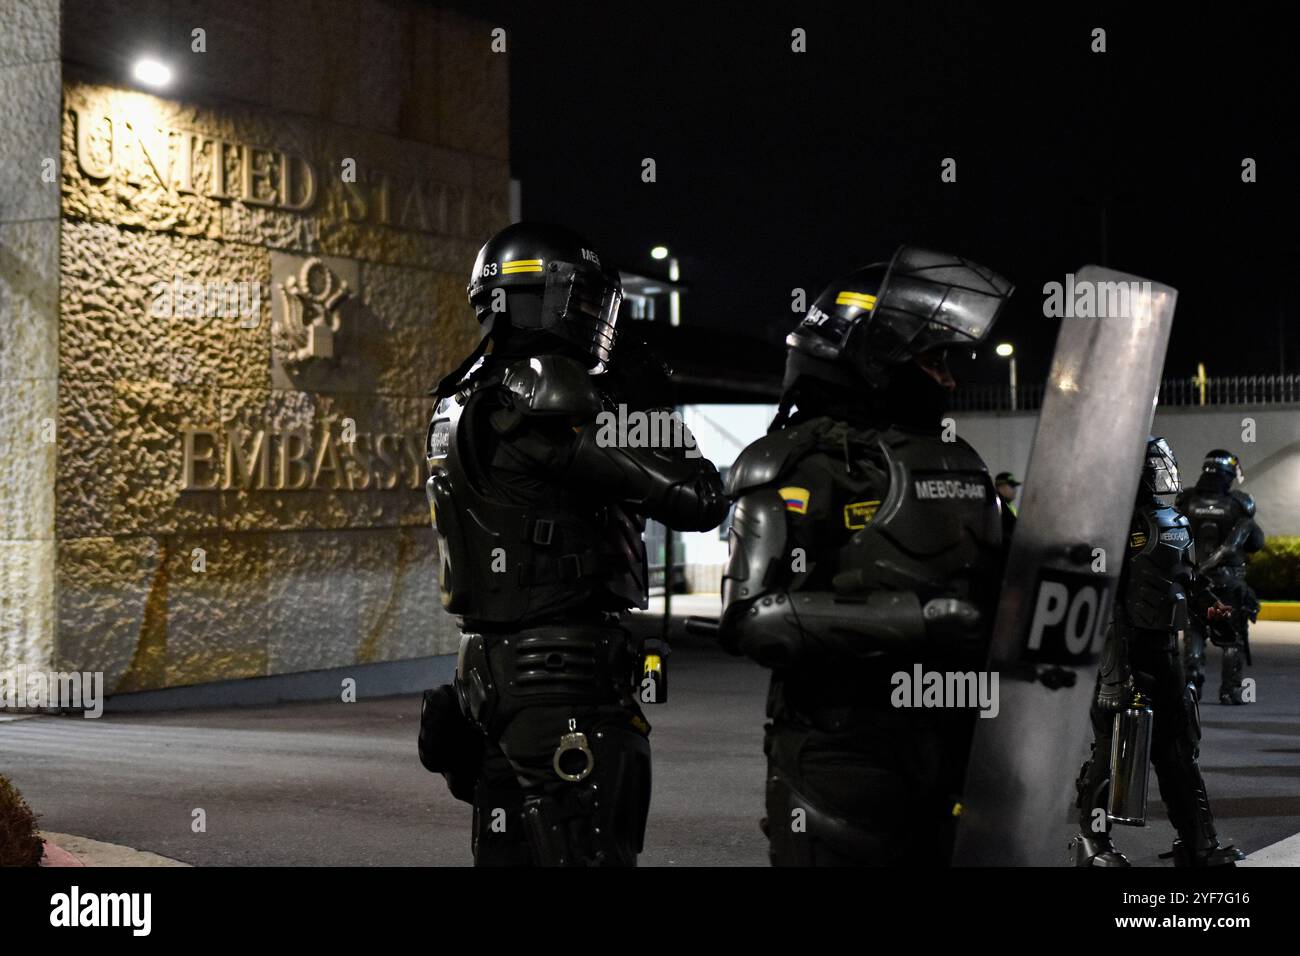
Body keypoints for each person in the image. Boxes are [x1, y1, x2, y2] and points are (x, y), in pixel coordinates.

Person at [417, 222, 728, 866]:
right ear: (540, 296)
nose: (596, 320)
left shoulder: (460, 395)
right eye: (583, 302)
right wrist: (650, 411)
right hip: (561, 678)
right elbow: (699, 499)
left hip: (486, 673)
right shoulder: (549, 391)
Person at [717, 245, 1013, 865]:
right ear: (878, 355)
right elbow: (753, 620)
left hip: (959, 751)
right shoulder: (796, 463)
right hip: (841, 759)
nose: (951, 379)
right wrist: (922, 616)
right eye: (934, 361)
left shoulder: (960, 462)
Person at [1072, 437, 1243, 867]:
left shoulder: (1170, 519)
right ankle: (1094, 846)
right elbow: (1103, 599)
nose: (1162, 471)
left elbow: (1185, 579)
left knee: (1178, 752)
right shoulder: (1107, 524)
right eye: (1152, 466)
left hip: (1164, 652)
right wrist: (1114, 673)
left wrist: (1211, 608)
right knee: (1112, 752)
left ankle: (1198, 845)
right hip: (1123, 653)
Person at [1177, 450, 1265, 704]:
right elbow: (1256, 542)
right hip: (1228, 581)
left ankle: (1192, 685)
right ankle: (1230, 690)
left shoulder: (1186, 501)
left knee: (1194, 632)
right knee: (1231, 638)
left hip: (1194, 580)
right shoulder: (1240, 504)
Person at [994, 471, 1021, 539]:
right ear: (1001, 488)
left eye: (1015, 486)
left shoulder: (1008, 506)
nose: (1015, 490)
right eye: (1012, 486)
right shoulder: (996, 507)